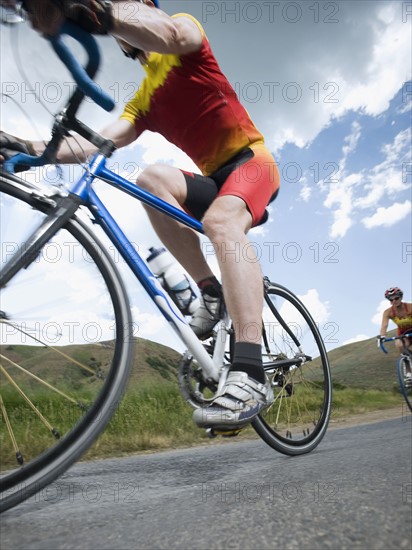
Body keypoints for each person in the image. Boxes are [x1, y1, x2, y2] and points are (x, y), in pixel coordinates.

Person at [0, 0, 280, 431]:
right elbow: (95, 144)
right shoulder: (144, 99)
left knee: (222, 221)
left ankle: (250, 370)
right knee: (151, 179)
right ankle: (209, 289)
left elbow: (169, 34)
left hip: (251, 163)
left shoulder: (183, 33)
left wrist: (98, 14)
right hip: (215, 179)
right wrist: (27, 147)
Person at [378, 287, 412, 383]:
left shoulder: (409, 307)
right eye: (391, 299)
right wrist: (382, 336)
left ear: (401, 297)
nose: (394, 301)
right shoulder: (388, 312)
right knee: (399, 345)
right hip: (403, 334)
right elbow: (384, 326)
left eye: (396, 298)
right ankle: (409, 372)